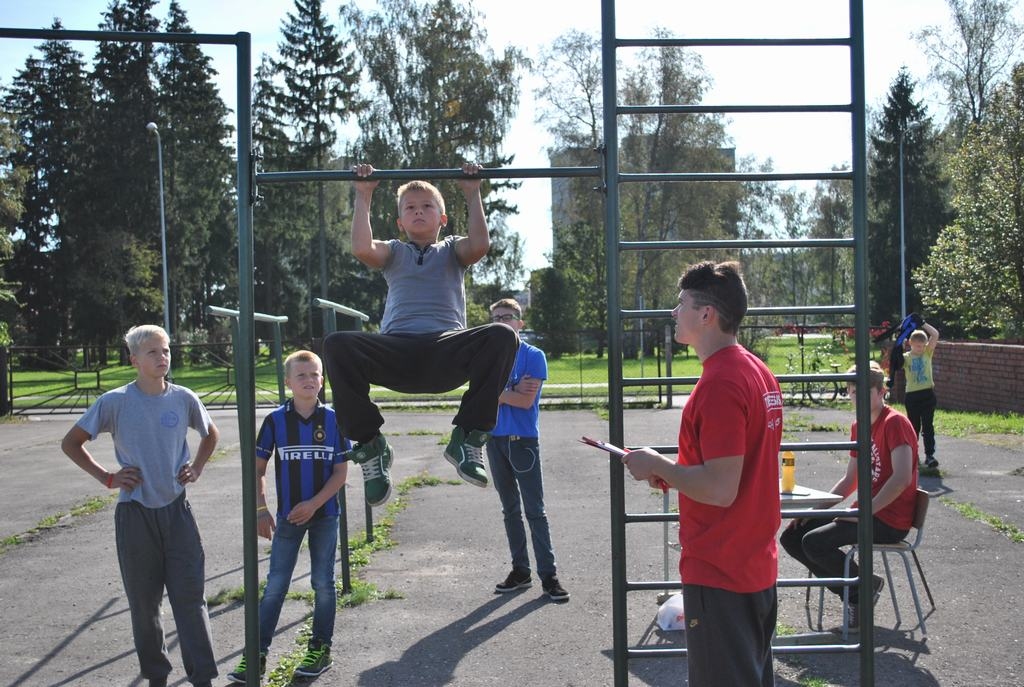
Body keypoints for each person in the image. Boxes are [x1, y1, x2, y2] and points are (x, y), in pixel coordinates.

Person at [620, 261, 782, 687]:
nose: (675, 313)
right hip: (752, 565)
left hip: (721, 568)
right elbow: (734, 471)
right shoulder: (756, 370)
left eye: (682, 304)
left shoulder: (720, 383)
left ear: (706, 314)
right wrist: (674, 474)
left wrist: (658, 465)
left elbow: (721, 487)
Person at [322, 162, 518, 508]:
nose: (418, 212)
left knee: (502, 335)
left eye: (427, 206)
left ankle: (468, 436)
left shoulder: (453, 250)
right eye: (410, 208)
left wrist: (473, 193)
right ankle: (370, 445)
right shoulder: (394, 251)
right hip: (397, 351)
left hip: (446, 351)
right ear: (400, 222)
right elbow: (362, 248)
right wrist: (363, 195)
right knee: (338, 344)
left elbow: (480, 245)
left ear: (442, 219)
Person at [60, 325, 219, 687]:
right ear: (134, 360)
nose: (162, 357)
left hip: (178, 512)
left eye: (165, 351)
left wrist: (196, 467)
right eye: (152, 352)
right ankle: (156, 676)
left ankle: (203, 678)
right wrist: (107, 477)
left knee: (190, 599)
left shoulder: (183, 398)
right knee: (145, 606)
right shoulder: (115, 402)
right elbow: (72, 442)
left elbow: (210, 434)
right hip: (134, 516)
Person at [227, 350, 349, 683]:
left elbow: (340, 473)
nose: (309, 381)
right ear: (288, 383)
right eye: (301, 376)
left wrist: (313, 503)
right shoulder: (275, 421)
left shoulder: (335, 419)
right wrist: (261, 508)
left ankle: (320, 648)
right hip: (287, 518)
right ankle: (257, 654)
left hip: (325, 514)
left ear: (322, 380)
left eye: (315, 375)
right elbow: (257, 469)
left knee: (323, 583)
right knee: (276, 585)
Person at [780, 360, 919, 630]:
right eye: (852, 391)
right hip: (866, 511)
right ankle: (861, 589)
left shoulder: (895, 424)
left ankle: (860, 591)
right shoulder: (859, 426)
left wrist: (864, 513)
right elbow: (849, 480)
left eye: (864, 391)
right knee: (793, 536)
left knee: (815, 543)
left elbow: (901, 479)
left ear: (881, 392)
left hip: (890, 519)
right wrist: (815, 511)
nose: (857, 396)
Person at [485, 298, 569, 602]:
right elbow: (484, 398)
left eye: (506, 317)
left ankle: (549, 576)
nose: (500, 323)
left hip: (522, 442)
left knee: (535, 511)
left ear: (520, 323)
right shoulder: (487, 358)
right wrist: (505, 393)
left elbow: (523, 401)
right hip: (494, 441)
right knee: (510, 510)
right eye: (495, 318)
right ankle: (520, 571)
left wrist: (494, 393)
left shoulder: (533, 356)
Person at [904, 322, 940, 468]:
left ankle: (930, 455)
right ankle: (913, 454)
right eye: (917, 346)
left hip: (927, 394)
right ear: (910, 344)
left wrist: (923, 323)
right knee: (913, 427)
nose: (920, 348)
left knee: (928, 426)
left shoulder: (927, 353)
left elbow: (935, 334)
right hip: (912, 396)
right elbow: (894, 359)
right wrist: (903, 332)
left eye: (922, 345)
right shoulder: (905, 357)